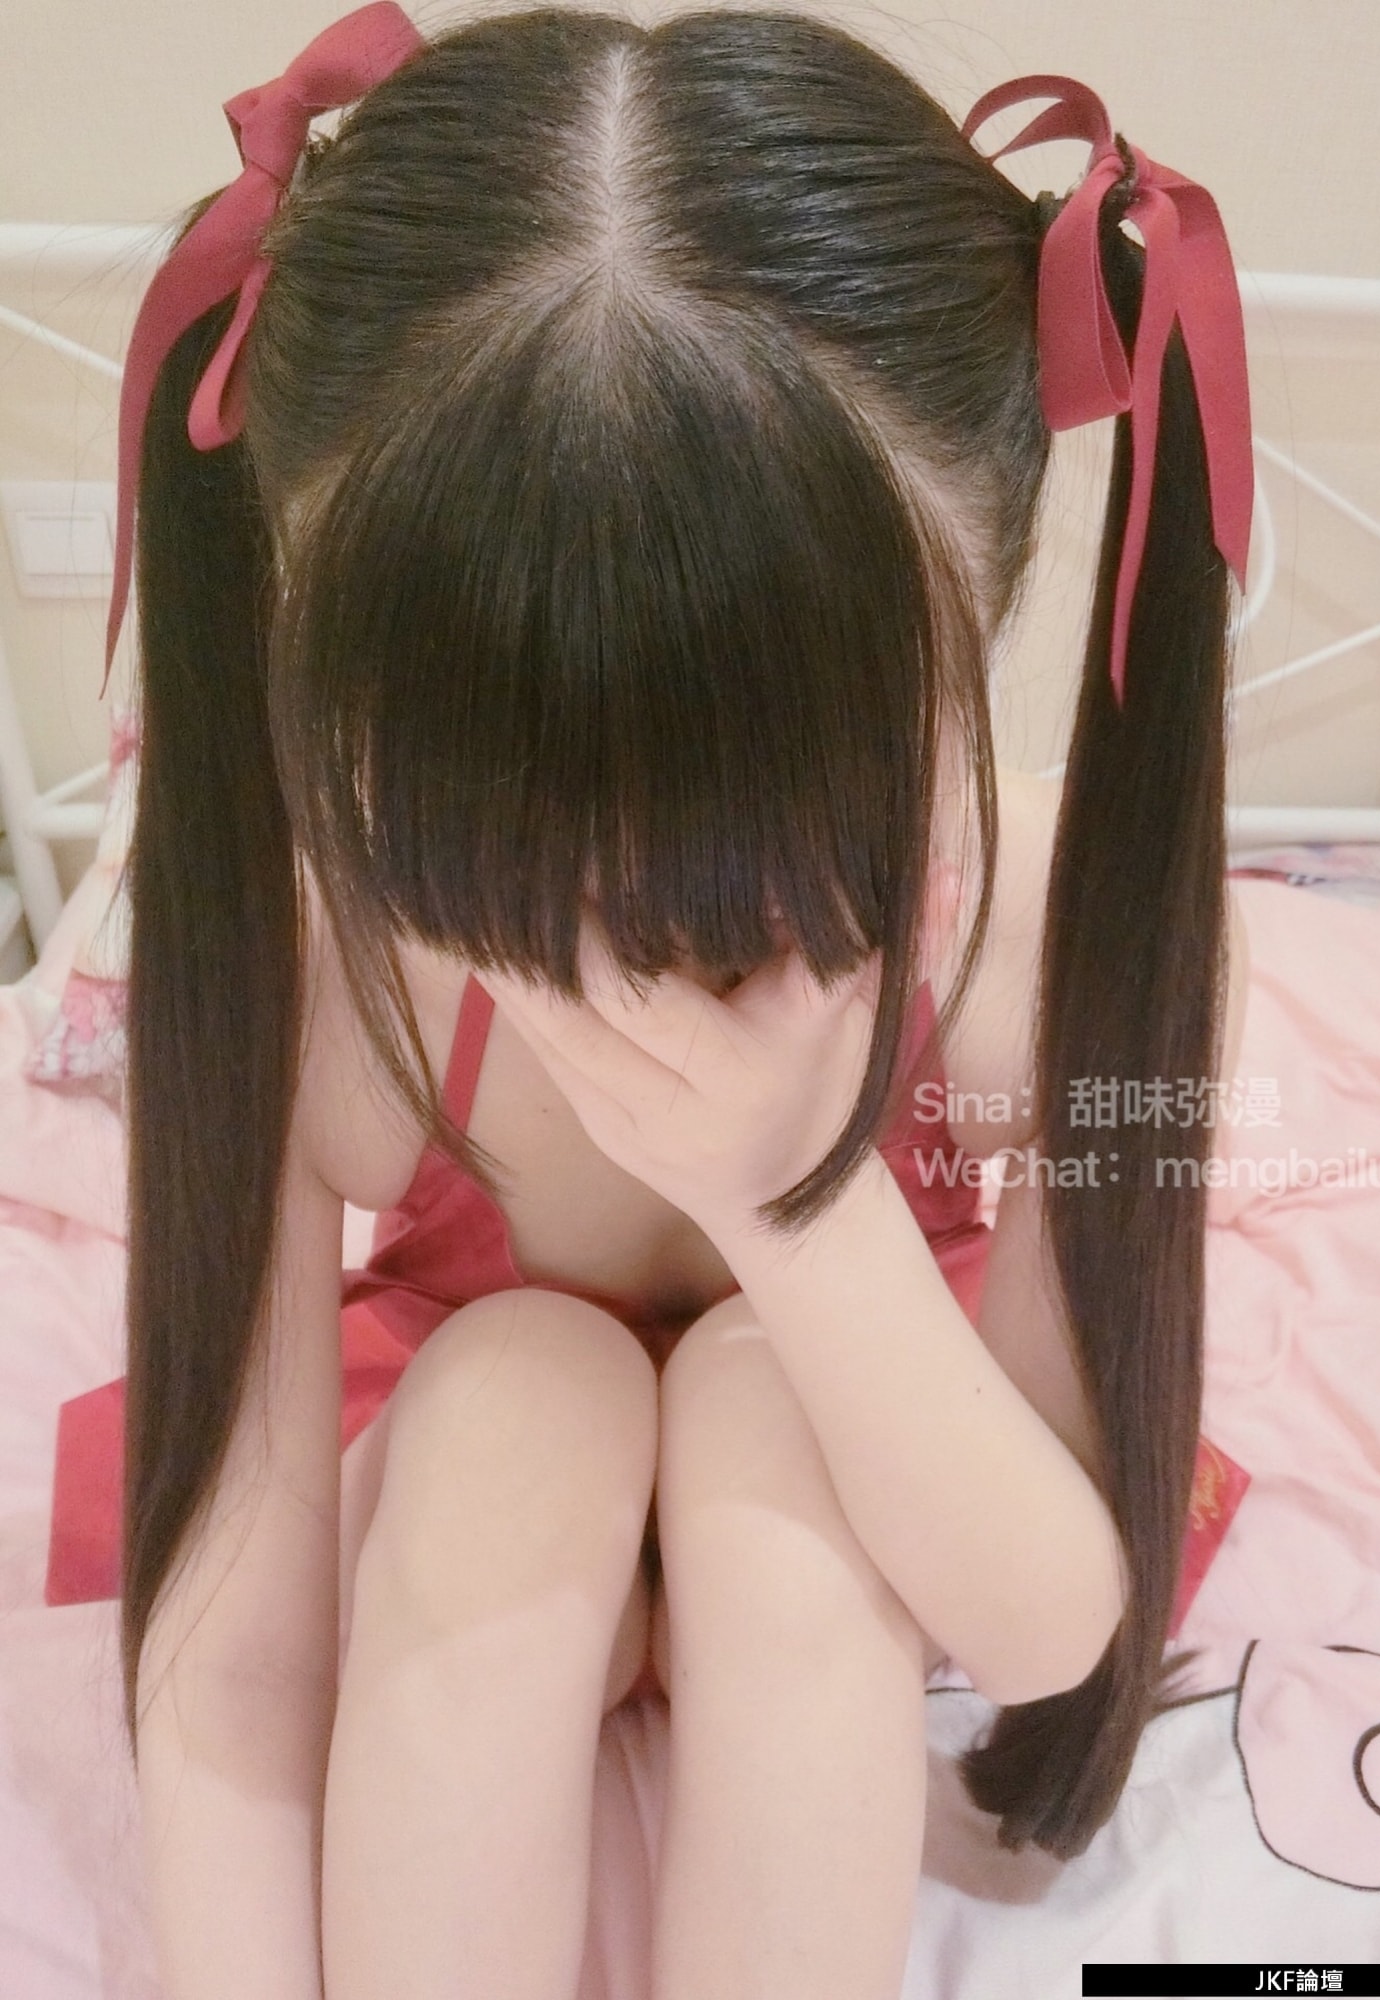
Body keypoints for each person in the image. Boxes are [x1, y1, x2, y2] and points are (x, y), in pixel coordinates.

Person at [53, 3, 1256, 1993]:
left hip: (874, 1453)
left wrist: (794, 1198)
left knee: (768, 1423)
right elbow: (232, 1660)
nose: (621, 915)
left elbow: (1048, 1618)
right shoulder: (306, 948)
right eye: (484, 813)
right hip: (480, 1484)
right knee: (519, 1402)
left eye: (756, 790)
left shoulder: (1046, 929)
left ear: (975, 636)